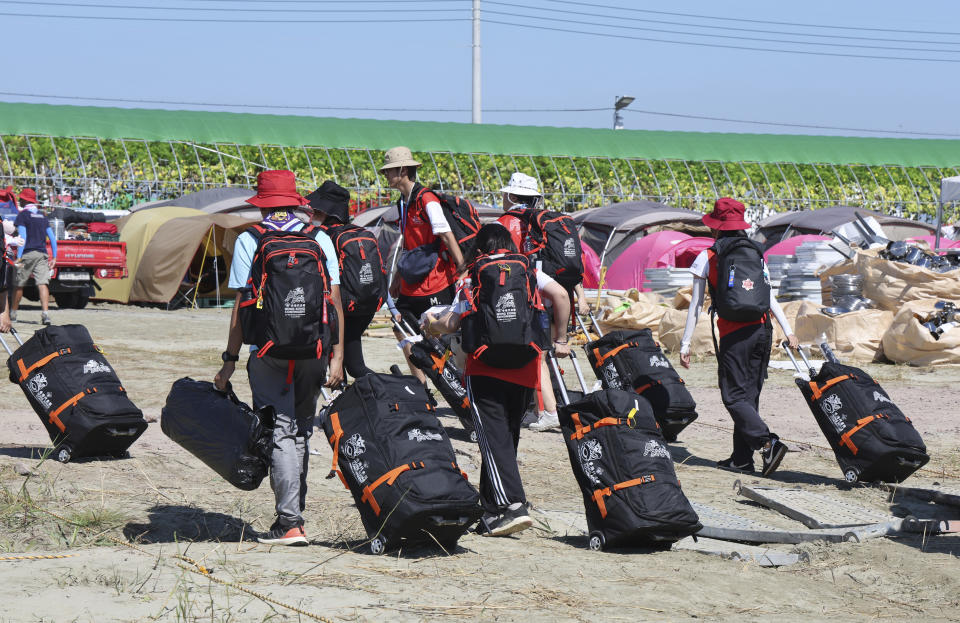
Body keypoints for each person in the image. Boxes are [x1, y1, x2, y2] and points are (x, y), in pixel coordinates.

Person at [214, 170, 345, 546]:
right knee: (301, 428)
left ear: (263, 204)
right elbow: (333, 301)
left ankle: (290, 522)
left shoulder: (250, 240)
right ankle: (293, 512)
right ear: (295, 201)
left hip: (268, 352)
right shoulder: (319, 237)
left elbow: (242, 305)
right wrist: (337, 356)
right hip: (314, 351)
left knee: (281, 430)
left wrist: (229, 359)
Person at [464, 223, 571, 536]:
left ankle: (513, 505)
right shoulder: (530, 269)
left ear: (481, 248)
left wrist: (432, 325)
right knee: (504, 440)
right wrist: (560, 338)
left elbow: (456, 318)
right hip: (525, 366)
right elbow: (562, 296)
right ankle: (490, 511)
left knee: (494, 442)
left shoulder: (475, 273)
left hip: (484, 367)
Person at [679, 197, 797, 477]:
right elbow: (770, 296)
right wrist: (788, 329)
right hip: (761, 331)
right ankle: (742, 460)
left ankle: (767, 443)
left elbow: (695, 305)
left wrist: (685, 344)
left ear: (716, 227)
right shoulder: (756, 253)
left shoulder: (708, 256)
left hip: (734, 334)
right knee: (749, 398)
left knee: (733, 397)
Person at [497, 172, 589, 432]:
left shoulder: (506, 223)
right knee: (542, 355)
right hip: (552, 299)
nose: (502, 198)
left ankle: (547, 410)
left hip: (531, 294)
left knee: (537, 356)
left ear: (512, 196)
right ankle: (544, 407)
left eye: (505, 194)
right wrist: (579, 297)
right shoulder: (543, 223)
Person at [380, 146, 465, 384]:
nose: (385, 176)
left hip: (436, 280)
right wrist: (397, 277)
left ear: (403, 170)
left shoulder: (426, 199)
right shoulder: (403, 203)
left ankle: (454, 384)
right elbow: (407, 244)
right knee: (401, 326)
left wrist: (462, 268)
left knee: (437, 333)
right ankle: (421, 387)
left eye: (389, 171)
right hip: (412, 280)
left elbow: (447, 235)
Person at [306, 180, 379, 379]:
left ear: (325, 211)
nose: (312, 213)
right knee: (353, 365)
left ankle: (397, 390)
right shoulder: (360, 233)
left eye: (316, 210)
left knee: (346, 364)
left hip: (340, 307)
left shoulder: (323, 236)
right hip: (365, 305)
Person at [12, 188, 57, 325]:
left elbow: (23, 237)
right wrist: (54, 257)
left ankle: (13, 313)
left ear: (25, 200)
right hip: (42, 254)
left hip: (27, 253)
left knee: (19, 284)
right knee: (42, 283)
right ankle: (45, 314)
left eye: (21, 198)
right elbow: (52, 238)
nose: (19, 200)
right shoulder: (43, 216)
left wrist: (18, 257)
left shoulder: (23, 215)